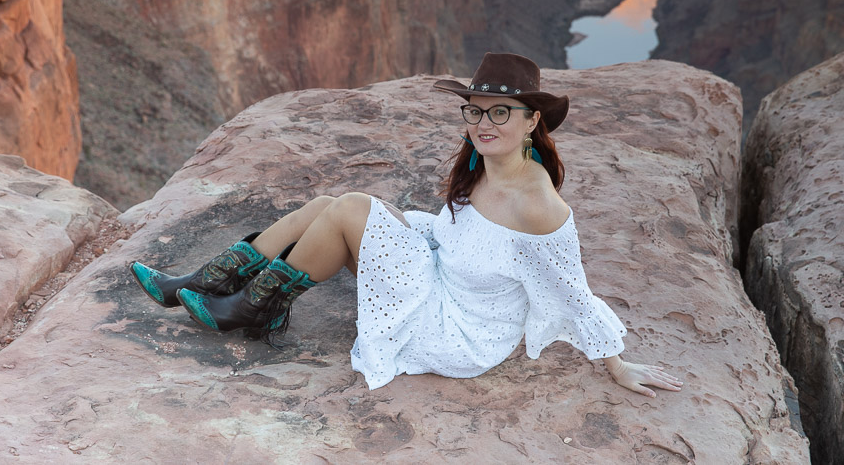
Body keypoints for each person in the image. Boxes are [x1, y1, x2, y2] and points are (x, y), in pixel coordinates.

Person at [130, 53, 683, 396]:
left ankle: (256, 307)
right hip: (438, 271)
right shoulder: (483, 167)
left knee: (350, 208)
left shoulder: (538, 204)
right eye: (474, 111)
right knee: (330, 201)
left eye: (500, 113)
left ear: (532, 120)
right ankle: (206, 283)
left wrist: (616, 365)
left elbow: (573, 291)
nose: (482, 124)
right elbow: (456, 235)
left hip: (459, 329)